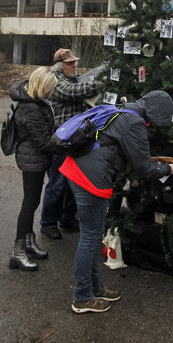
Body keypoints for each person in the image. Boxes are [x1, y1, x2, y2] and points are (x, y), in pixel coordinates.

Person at [59, 90, 173, 314]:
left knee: (92, 234)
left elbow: (129, 154)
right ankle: (82, 297)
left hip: (80, 169)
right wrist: (167, 169)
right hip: (90, 178)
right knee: (90, 237)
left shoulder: (124, 111)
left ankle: (96, 288)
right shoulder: (134, 122)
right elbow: (144, 168)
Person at [39, 48, 101, 240]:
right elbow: (71, 92)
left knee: (73, 181)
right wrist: (100, 83)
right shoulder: (55, 81)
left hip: (77, 139)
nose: (74, 66)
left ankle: (67, 218)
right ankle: (48, 223)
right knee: (57, 184)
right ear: (59, 66)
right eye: (70, 63)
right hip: (61, 141)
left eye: (75, 62)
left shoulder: (73, 78)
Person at [8, 67, 58, 271]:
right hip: (32, 160)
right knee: (29, 204)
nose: (51, 93)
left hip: (34, 158)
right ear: (41, 86)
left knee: (33, 201)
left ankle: (28, 242)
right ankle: (18, 252)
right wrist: (67, 141)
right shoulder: (30, 108)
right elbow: (44, 141)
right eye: (49, 89)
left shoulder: (35, 102)